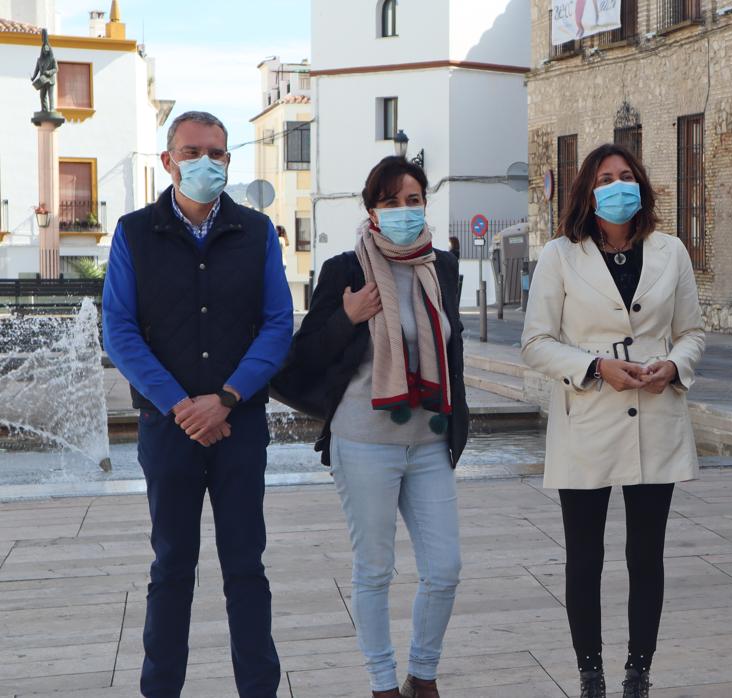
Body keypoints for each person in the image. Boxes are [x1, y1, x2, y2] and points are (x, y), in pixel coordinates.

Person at [102, 110, 292, 697]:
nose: (204, 162)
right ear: (167, 160)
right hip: (168, 430)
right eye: (191, 151)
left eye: (216, 152)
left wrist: (227, 399)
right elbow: (120, 331)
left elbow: (278, 325)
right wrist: (183, 405)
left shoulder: (258, 232)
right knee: (171, 571)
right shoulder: (134, 233)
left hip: (240, 428)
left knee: (245, 569)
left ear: (229, 161)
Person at [272, 156, 466, 698]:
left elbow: (454, 354)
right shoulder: (343, 271)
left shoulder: (443, 267)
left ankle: (421, 675)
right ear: (371, 210)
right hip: (365, 441)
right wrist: (347, 317)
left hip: (428, 441)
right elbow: (302, 358)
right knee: (375, 569)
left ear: (425, 203)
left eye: (413, 200)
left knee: (445, 569)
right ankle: (383, 683)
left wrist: (458, 424)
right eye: (390, 201)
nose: (403, 211)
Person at [521, 143, 705, 698]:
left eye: (626, 176)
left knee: (646, 555)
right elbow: (534, 342)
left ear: (642, 185)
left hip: (656, 416)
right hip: (588, 420)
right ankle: (591, 673)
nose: (618, 185)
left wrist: (673, 363)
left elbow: (693, 331)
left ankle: (638, 672)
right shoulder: (560, 255)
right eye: (606, 177)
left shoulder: (671, 251)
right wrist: (596, 366)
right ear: (588, 190)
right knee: (586, 556)